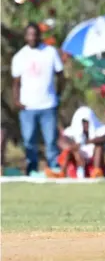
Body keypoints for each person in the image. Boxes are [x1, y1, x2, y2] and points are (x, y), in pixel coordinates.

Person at [11, 22, 64, 175]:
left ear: (40, 35)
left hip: (48, 105)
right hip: (28, 107)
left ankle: (53, 168)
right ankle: (31, 169)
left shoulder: (50, 52)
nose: (32, 37)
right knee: (29, 141)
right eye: (29, 34)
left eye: (35, 34)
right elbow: (15, 83)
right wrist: (17, 101)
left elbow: (60, 76)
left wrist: (58, 94)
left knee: (50, 141)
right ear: (25, 36)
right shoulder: (20, 56)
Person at [45, 106, 105, 178]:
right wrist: (75, 150)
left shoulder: (100, 131)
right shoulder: (71, 134)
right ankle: (62, 173)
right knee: (69, 151)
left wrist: (88, 141)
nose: (85, 125)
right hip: (78, 166)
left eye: (87, 122)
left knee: (99, 147)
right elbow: (61, 142)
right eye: (83, 123)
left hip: (94, 167)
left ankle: (96, 171)